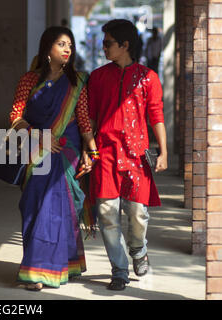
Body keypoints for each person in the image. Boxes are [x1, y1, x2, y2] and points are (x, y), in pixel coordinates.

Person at [9, 26, 98, 291]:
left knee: (55, 209)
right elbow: (15, 118)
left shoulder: (78, 81)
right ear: (47, 48)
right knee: (34, 208)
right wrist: (38, 135)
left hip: (65, 153)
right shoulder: (29, 80)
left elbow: (83, 121)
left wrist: (92, 152)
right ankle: (48, 263)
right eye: (61, 44)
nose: (67, 49)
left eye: (69, 44)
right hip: (36, 152)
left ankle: (40, 271)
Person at [87, 19, 168, 291]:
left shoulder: (148, 77)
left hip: (136, 155)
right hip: (105, 153)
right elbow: (90, 117)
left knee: (137, 213)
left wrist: (163, 151)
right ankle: (119, 270)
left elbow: (156, 115)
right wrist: (88, 150)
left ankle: (138, 249)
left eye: (108, 42)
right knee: (107, 213)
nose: (104, 47)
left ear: (125, 45)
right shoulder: (97, 77)